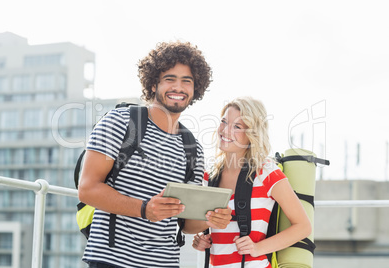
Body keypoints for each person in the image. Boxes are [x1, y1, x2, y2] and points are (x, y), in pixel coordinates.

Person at [78, 41, 232, 268]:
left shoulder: (193, 148)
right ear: (153, 84)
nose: (178, 87)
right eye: (170, 79)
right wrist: (144, 209)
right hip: (111, 260)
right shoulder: (119, 122)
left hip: (165, 263)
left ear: (195, 89)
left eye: (186, 81)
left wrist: (211, 219)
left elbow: (186, 223)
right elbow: (87, 189)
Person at [192, 97, 312, 268]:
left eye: (237, 127)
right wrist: (200, 239)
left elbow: (303, 226)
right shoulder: (209, 176)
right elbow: (206, 226)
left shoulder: (266, 172)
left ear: (252, 134)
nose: (225, 131)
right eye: (224, 122)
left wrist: (258, 248)